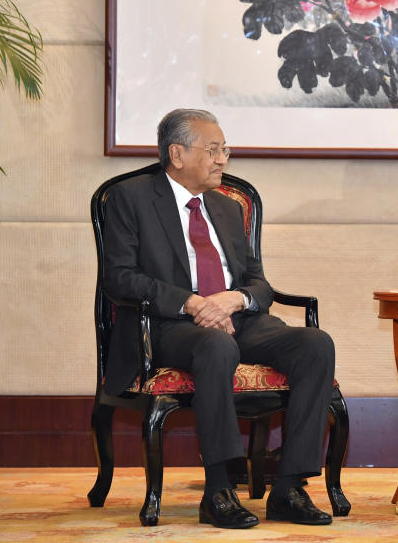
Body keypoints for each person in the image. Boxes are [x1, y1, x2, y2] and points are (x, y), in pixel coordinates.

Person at [102, 108, 336, 529]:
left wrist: (236, 298)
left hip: (235, 320)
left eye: (224, 150)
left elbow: (260, 283)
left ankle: (289, 488)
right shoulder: (132, 198)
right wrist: (192, 303)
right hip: (166, 326)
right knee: (215, 344)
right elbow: (119, 278)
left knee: (315, 344)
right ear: (177, 153)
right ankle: (218, 491)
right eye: (213, 150)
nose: (222, 159)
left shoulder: (227, 208)